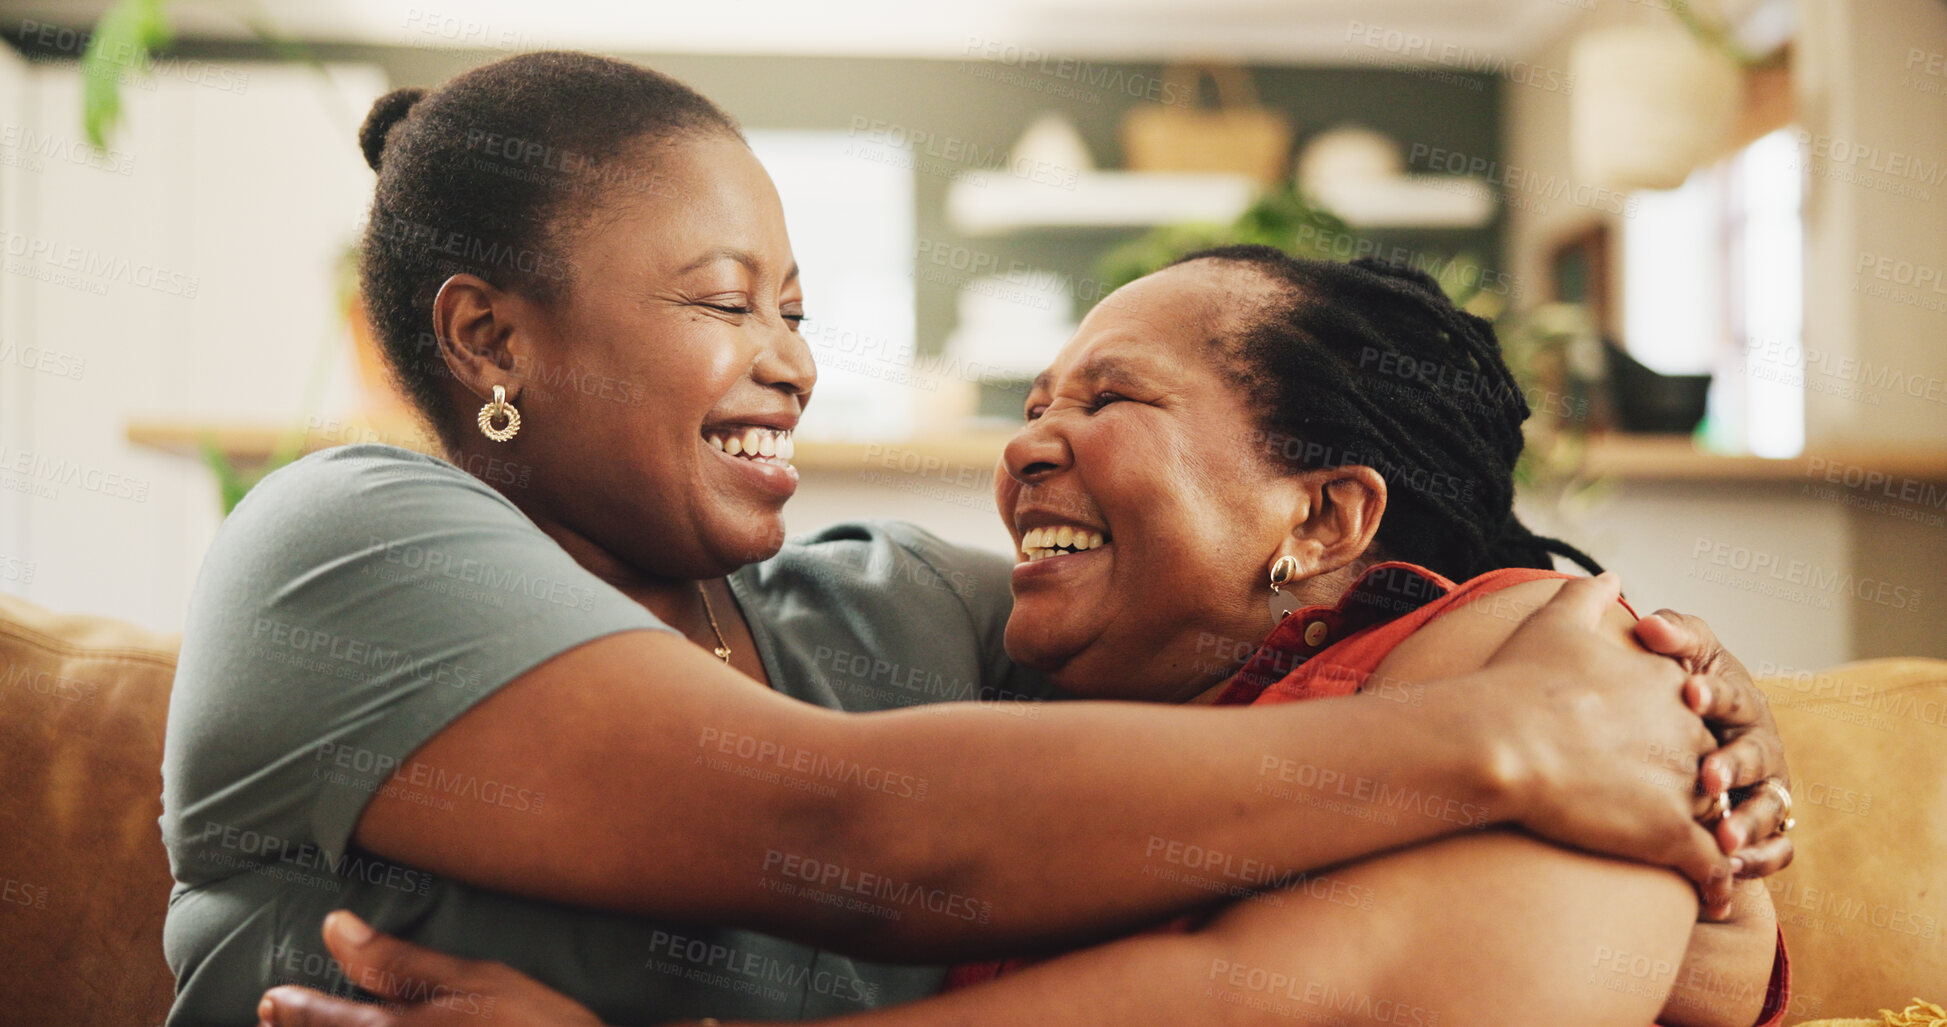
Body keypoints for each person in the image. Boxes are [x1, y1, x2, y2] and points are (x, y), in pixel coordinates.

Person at [159, 50, 1788, 1027]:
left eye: (796, 310)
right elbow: (868, 835)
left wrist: (1689, 721)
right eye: (725, 303)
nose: (792, 360)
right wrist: (1506, 741)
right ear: (491, 341)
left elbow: (1314, 672)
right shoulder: (344, 545)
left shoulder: (907, 615)